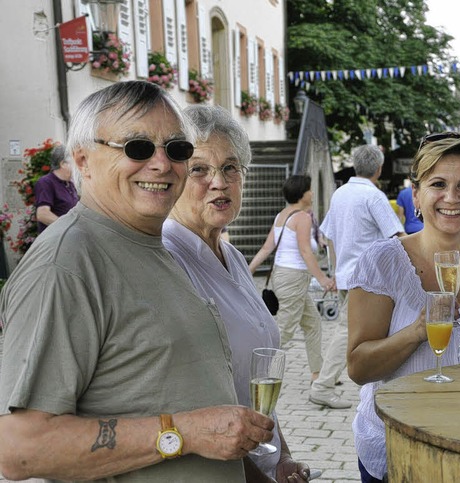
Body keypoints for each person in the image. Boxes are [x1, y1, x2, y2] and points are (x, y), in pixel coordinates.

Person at [0, 81, 274, 482]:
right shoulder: (67, 264)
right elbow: (20, 448)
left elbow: (199, 410)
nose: (162, 164)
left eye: (177, 149)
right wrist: (181, 433)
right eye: (137, 147)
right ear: (84, 160)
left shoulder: (152, 246)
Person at [347, 134, 460, 483]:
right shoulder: (383, 261)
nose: (451, 197)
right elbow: (359, 367)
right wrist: (416, 333)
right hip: (400, 451)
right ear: (417, 194)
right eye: (438, 184)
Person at [162, 105, 311, 482]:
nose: (220, 182)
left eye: (231, 168)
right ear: (173, 175)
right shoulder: (167, 261)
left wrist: (282, 459)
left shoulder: (232, 255)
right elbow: (192, 401)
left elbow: (257, 385)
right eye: (200, 169)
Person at [310, 145, 405, 409]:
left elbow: (327, 234)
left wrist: (334, 269)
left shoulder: (340, 193)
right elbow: (397, 237)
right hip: (367, 278)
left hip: (346, 274)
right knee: (348, 331)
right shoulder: (373, 197)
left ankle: (349, 381)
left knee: (356, 330)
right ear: (378, 168)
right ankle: (323, 385)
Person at [249, 175, 335, 384]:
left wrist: (247, 270)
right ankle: (259, 374)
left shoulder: (283, 215)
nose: (312, 193)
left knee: (313, 324)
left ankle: (318, 375)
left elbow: (267, 248)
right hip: (294, 278)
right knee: (285, 330)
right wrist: (323, 279)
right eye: (310, 190)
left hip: (284, 275)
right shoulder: (302, 218)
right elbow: (306, 252)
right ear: (302, 193)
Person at [34, 143, 79, 233]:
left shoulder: (70, 184)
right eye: (74, 162)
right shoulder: (46, 182)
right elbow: (42, 214)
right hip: (55, 240)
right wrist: (68, 227)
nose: (77, 166)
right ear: (63, 164)